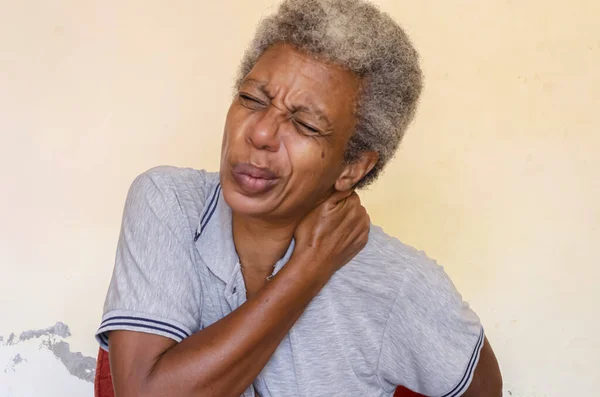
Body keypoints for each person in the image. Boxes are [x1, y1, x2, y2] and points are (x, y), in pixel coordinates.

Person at [95, 0, 502, 396]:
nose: (260, 134)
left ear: (353, 167)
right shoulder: (168, 203)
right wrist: (308, 270)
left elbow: (484, 389)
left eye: (305, 124)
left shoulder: (398, 284)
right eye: (252, 99)